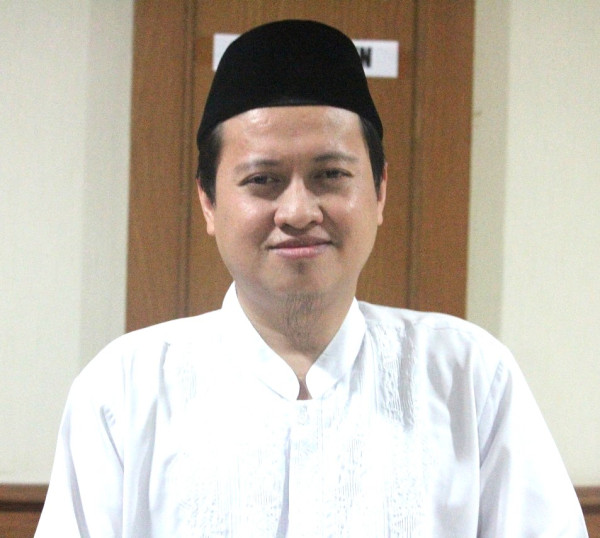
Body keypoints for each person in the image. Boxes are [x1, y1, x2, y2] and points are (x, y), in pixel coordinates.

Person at [36, 20, 587, 537]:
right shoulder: (126, 390)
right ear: (208, 201)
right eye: (263, 180)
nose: (298, 211)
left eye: (330, 175)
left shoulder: (468, 378)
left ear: (380, 191)